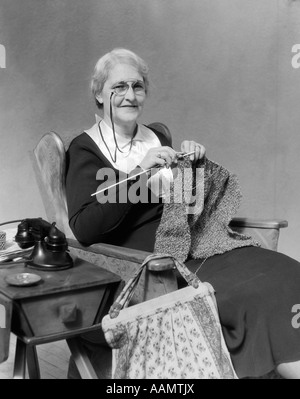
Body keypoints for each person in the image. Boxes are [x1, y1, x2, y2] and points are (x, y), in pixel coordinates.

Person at [65, 48, 300, 379]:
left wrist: (193, 167)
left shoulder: (156, 137)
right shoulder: (85, 149)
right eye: (118, 87)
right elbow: (86, 228)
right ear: (99, 93)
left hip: (197, 246)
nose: (129, 95)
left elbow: (183, 206)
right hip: (153, 265)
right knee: (251, 296)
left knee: (287, 274)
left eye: (137, 86)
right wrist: (138, 173)